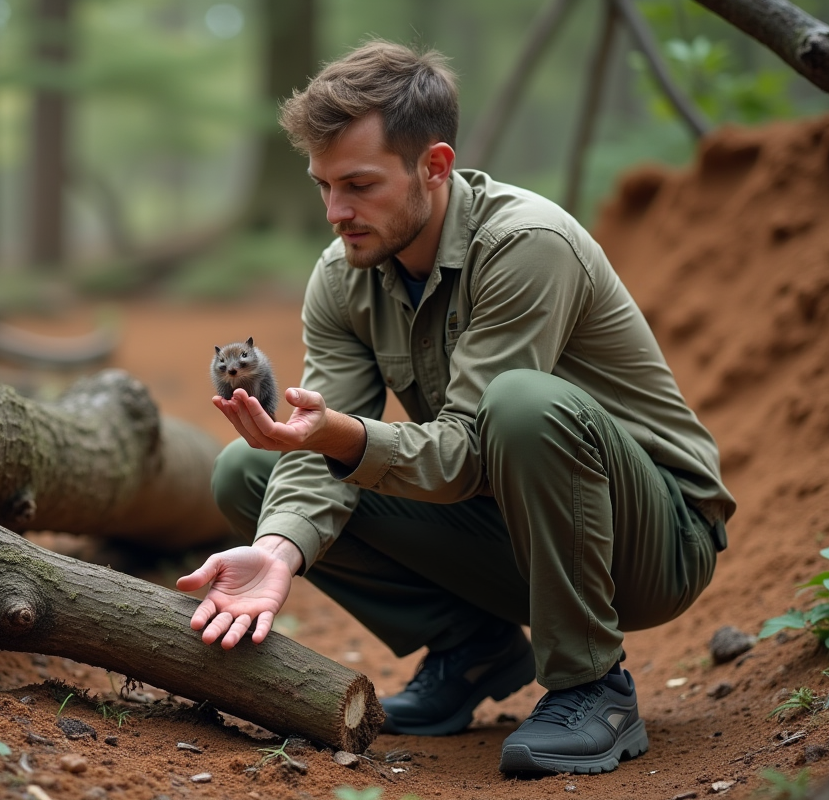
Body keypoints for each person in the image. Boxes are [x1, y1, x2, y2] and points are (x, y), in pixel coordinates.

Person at [176, 40, 734, 776]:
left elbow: (470, 446)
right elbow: (322, 435)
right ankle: (474, 649)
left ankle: (593, 685)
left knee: (522, 403)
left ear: (433, 167)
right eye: (322, 185)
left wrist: (340, 436)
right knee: (250, 470)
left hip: (650, 540)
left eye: (359, 184)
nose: (336, 212)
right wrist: (279, 550)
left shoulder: (526, 244)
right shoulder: (346, 273)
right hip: (512, 525)